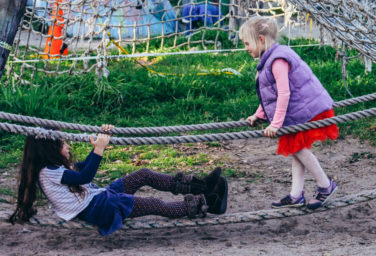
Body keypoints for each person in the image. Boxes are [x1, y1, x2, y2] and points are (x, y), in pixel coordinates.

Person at [8, 127, 227, 234]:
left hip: (100, 198)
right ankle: (206, 204)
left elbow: (81, 169)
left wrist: (96, 148)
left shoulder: (56, 168)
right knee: (154, 204)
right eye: (63, 144)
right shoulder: (49, 172)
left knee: (144, 174)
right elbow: (85, 176)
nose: (68, 146)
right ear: (50, 150)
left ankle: (202, 186)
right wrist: (100, 150)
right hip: (99, 208)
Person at [242, 16, 339, 210]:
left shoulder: (278, 60)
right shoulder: (269, 58)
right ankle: (296, 195)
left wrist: (276, 124)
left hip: (307, 110)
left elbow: (284, 94)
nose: (245, 48)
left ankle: (325, 185)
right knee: (296, 150)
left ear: (261, 40)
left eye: (246, 43)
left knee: (298, 149)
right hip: (298, 110)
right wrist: (259, 114)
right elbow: (269, 94)